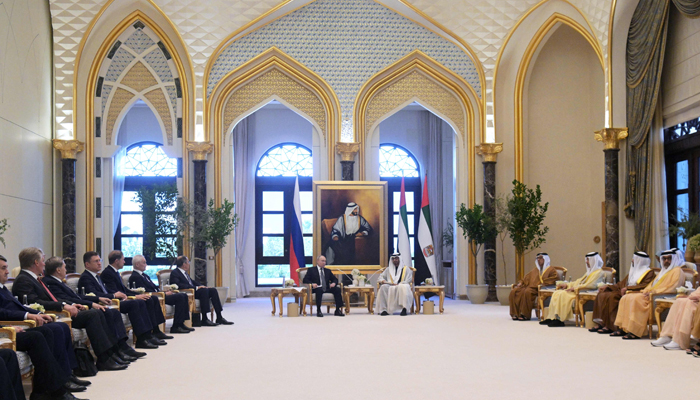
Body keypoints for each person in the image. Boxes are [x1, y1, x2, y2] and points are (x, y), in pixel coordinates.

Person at [12, 249, 131, 371]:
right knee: (93, 314)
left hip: (61, 312)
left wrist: (70, 304)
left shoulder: (36, 279)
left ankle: (110, 354)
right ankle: (103, 359)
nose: (44, 264)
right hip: (54, 315)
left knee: (99, 312)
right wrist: (63, 306)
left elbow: (57, 298)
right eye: (42, 261)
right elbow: (34, 302)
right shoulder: (24, 280)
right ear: (36, 262)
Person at [0, 254, 85, 400]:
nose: (7, 271)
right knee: (38, 336)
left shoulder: (3, 288)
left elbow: (19, 307)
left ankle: (48, 387)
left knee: (53, 329)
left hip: (15, 326)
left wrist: (37, 313)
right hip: (8, 331)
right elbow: (4, 312)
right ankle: (55, 390)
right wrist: (25, 317)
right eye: (3, 268)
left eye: (6, 268)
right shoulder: (21, 281)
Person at [43, 256, 145, 364]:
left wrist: (96, 300)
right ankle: (105, 357)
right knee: (97, 313)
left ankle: (120, 348)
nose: (66, 269)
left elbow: (77, 296)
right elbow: (67, 299)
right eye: (64, 267)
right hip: (67, 314)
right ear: (58, 270)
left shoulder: (58, 281)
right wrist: (91, 304)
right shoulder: (51, 282)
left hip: (77, 307)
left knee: (112, 312)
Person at [77, 251, 166, 349]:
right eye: (96, 261)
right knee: (135, 304)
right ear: (87, 264)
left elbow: (118, 290)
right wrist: (114, 296)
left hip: (112, 300)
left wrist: (136, 295)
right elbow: (95, 294)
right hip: (107, 302)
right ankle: (141, 338)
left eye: (100, 260)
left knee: (141, 301)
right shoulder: (86, 277)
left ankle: (148, 334)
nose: (99, 263)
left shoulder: (97, 276)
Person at [613, 249, 685, 339]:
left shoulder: (677, 271)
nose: (666, 261)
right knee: (626, 297)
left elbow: (673, 287)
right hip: (650, 295)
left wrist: (653, 292)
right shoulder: (663, 271)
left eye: (669, 259)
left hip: (658, 296)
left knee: (635, 299)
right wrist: (645, 291)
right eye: (664, 259)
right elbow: (651, 285)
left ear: (674, 259)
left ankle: (635, 331)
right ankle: (624, 328)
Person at [100, 251, 172, 341]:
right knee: (143, 301)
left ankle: (155, 330)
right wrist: (135, 297)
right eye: (123, 260)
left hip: (122, 298)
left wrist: (138, 294)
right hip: (118, 301)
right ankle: (146, 335)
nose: (124, 262)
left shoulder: (114, 272)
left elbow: (124, 290)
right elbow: (115, 292)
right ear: (116, 261)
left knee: (150, 298)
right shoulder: (107, 273)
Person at [589, 251, 656, 334]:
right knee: (602, 294)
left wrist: (628, 288)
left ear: (640, 261)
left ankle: (612, 326)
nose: (632, 260)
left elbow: (644, 285)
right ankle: (601, 323)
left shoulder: (649, 273)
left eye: (634, 259)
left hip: (634, 292)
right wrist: (608, 286)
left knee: (612, 297)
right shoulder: (633, 272)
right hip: (625, 291)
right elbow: (621, 284)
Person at [129, 255, 192, 334]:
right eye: (144, 263)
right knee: (180, 297)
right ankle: (175, 326)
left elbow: (154, 288)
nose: (146, 264)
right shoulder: (135, 277)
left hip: (159, 295)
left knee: (183, 295)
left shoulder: (144, 275)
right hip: (156, 297)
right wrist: (163, 294)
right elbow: (145, 291)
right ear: (137, 265)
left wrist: (164, 292)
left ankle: (180, 323)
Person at [540, 252, 605, 327]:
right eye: (586, 260)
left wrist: (575, 288)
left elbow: (591, 285)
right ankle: (552, 317)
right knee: (556, 293)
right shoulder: (589, 272)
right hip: (576, 291)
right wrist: (567, 285)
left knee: (562, 294)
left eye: (588, 260)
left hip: (581, 292)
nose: (586, 262)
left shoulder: (599, 272)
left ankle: (560, 319)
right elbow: (578, 281)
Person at [170, 256, 234, 326]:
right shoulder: (175, 273)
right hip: (188, 292)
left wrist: (203, 286)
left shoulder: (184, 273)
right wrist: (196, 287)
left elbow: (192, 281)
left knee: (213, 290)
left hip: (193, 290)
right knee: (204, 291)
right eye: (188, 262)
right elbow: (178, 285)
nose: (189, 264)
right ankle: (204, 318)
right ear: (184, 264)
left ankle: (219, 317)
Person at [509, 252, 558, 321]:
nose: (538, 260)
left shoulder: (551, 270)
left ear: (545, 259)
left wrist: (542, 284)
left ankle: (525, 314)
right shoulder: (535, 270)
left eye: (540, 258)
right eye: (537, 258)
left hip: (539, 289)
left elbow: (553, 279)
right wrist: (521, 283)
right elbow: (526, 278)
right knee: (514, 291)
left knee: (527, 292)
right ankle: (515, 313)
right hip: (529, 287)